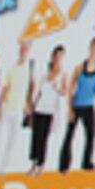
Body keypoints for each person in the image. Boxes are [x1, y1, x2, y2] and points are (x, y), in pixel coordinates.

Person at [0, 39, 35, 175]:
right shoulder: (12, 67)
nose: (23, 50)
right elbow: (4, 89)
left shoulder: (30, 67)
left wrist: (28, 104)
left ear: (29, 50)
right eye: (22, 48)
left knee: (12, 141)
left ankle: (3, 168)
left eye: (26, 48)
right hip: (7, 108)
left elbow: (32, 86)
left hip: (19, 110)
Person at [59, 36, 95, 173]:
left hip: (89, 106)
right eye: (94, 46)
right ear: (90, 47)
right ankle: (64, 166)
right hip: (77, 105)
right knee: (69, 136)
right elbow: (71, 88)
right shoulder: (79, 67)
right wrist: (69, 109)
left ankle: (87, 163)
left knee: (91, 136)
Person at [27, 45, 66, 175]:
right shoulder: (45, 73)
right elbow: (39, 91)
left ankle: (41, 165)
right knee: (35, 137)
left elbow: (64, 91)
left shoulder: (62, 74)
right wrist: (31, 106)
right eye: (56, 56)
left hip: (50, 110)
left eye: (60, 56)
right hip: (39, 108)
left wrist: (57, 88)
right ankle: (33, 164)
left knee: (43, 138)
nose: (57, 58)